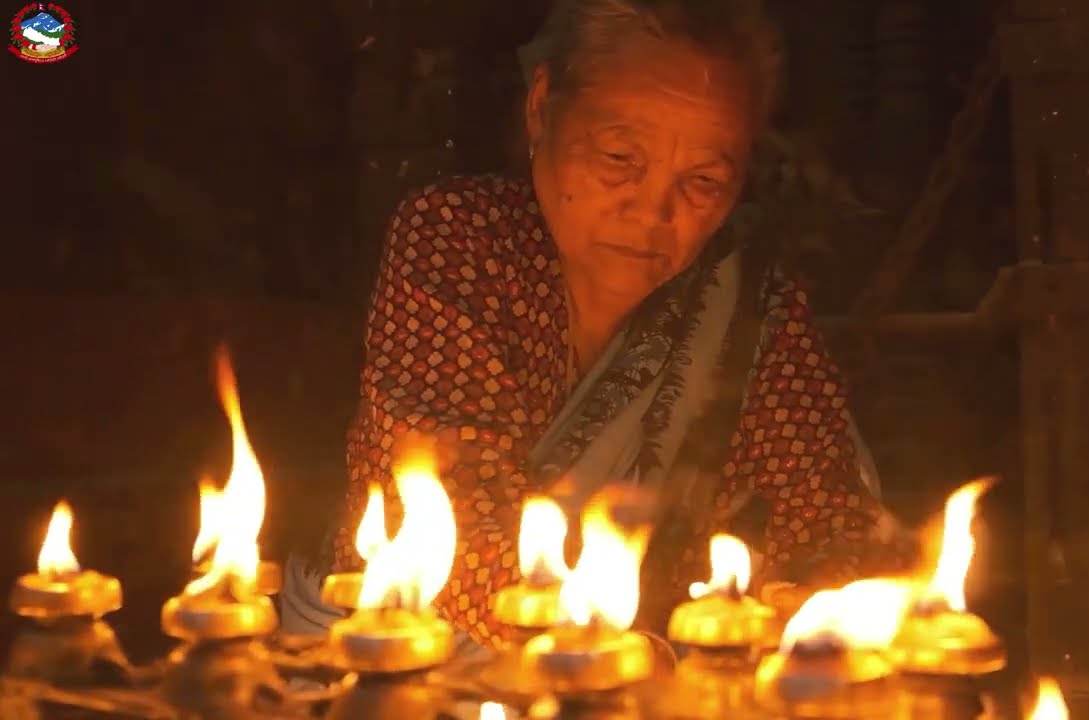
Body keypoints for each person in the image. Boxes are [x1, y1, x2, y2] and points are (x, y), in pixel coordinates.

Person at [281, 0, 914, 645]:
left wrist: (807, 616)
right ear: (541, 109)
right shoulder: (461, 241)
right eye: (618, 157)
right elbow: (458, 533)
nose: (652, 211)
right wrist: (619, 668)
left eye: (702, 181)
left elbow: (829, 527)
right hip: (413, 662)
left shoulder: (752, 313)